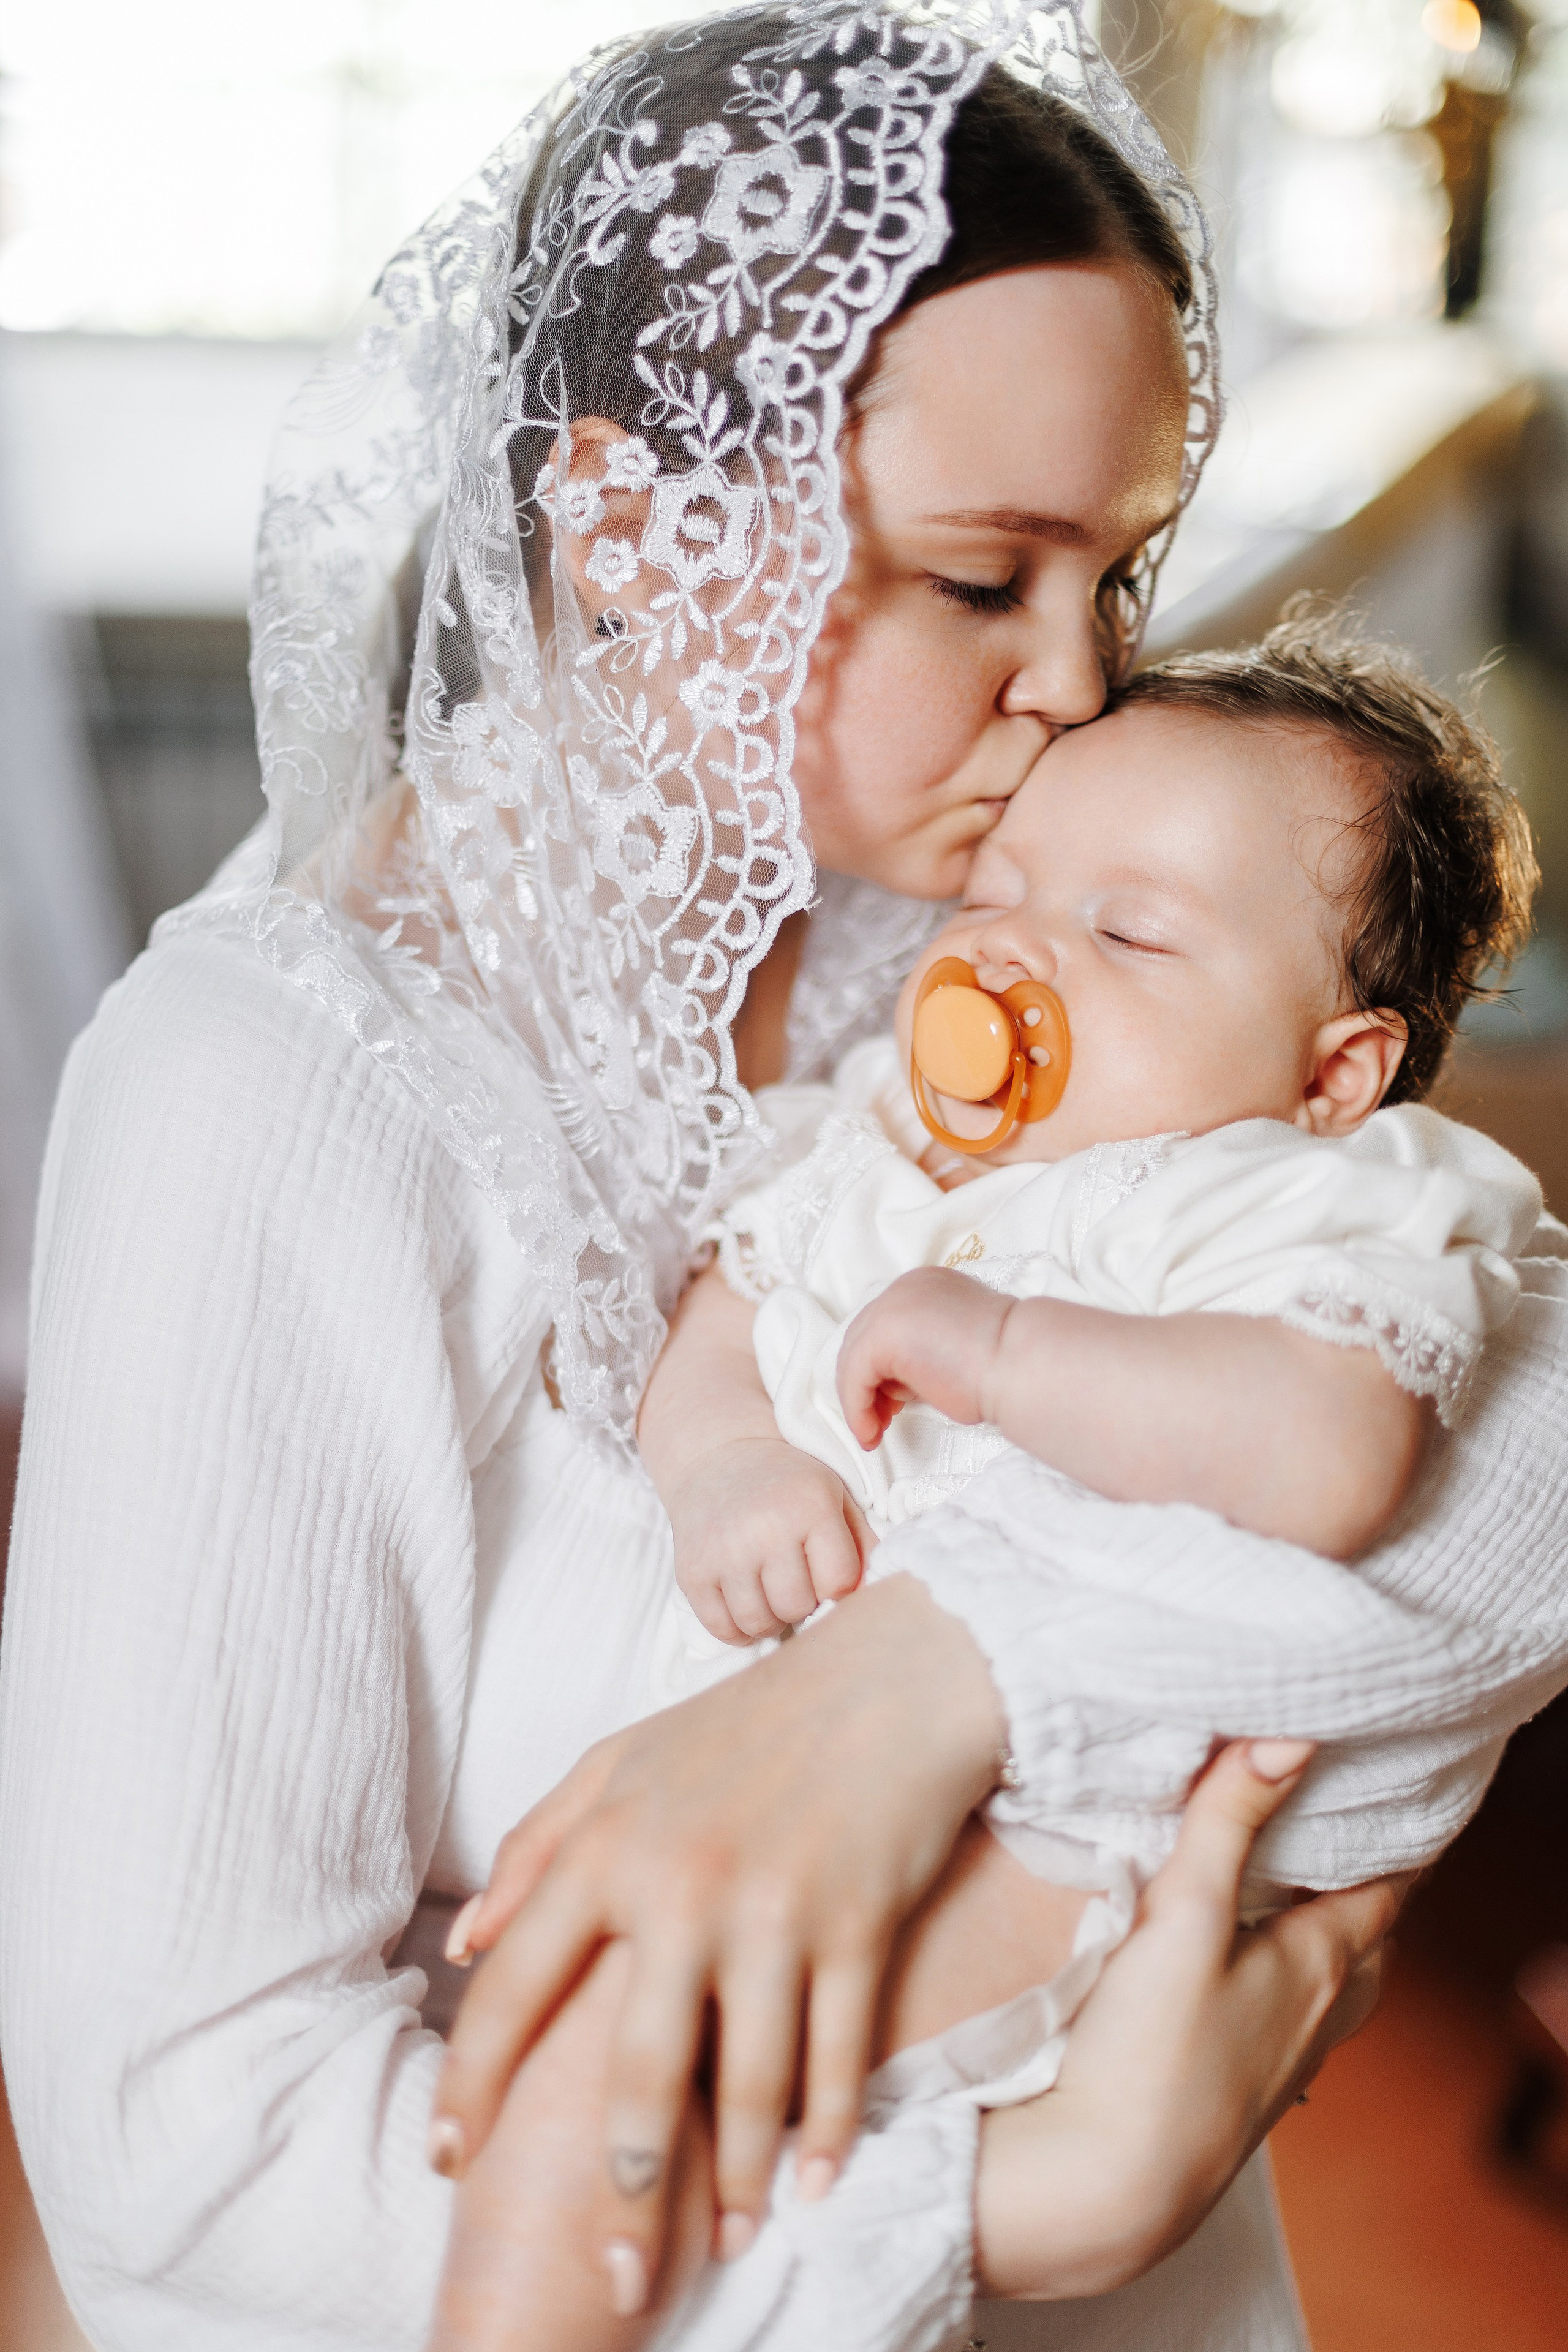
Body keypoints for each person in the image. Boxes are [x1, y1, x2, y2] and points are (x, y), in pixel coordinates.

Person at [0, 9, 1551, 2351]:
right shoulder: (268, 1094)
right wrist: (1032, 2199)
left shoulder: (996, 934)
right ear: (624, 523)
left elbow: (1504, 1403)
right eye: (979, 579)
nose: (1085, 690)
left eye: (1121, 578)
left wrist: (925, 1681)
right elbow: (182, 2161)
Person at [429, 620, 1567, 2351]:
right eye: (1001, 891)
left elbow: (1330, 1453)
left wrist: (1005, 1352)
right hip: (801, 1765)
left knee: (606, 2067)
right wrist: (728, 1462)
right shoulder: (883, 1139)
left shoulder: (1301, 1201)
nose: (1019, 949)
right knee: (588, 2059)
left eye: (1127, 932)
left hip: (1055, 1827)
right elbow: (730, 1309)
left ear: (1334, 1071)